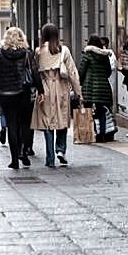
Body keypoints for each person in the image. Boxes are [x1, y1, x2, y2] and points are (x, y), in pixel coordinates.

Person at [32, 25, 82, 167]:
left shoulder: (39, 51)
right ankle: (60, 149)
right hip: (61, 88)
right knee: (62, 120)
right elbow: (72, 72)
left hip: (45, 89)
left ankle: (50, 158)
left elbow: (35, 71)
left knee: (48, 123)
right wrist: (79, 92)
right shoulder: (63, 50)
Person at [0, 27, 37, 168]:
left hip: (6, 93)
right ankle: (23, 152)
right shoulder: (27, 54)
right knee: (24, 124)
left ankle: (14, 160)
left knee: (12, 124)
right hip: (23, 93)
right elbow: (34, 73)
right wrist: (41, 90)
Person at [78, 35, 116, 142]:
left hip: (89, 86)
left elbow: (81, 71)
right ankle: (102, 135)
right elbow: (108, 72)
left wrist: (79, 83)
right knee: (101, 111)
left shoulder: (87, 55)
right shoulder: (104, 56)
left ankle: (89, 134)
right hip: (103, 86)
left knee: (88, 110)